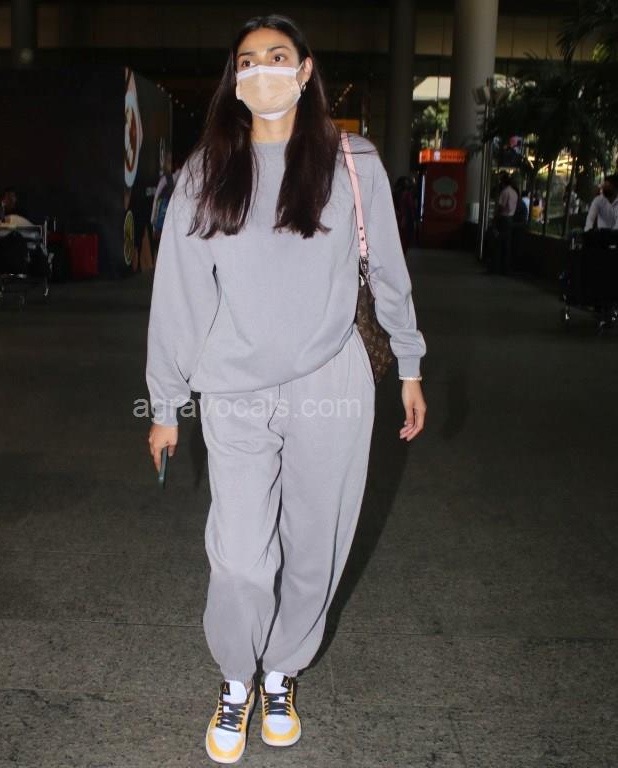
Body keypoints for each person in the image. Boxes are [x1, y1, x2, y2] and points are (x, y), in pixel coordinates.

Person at [146, 14, 426, 764]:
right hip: (233, 390)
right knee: (240, 556)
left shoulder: (353, 162)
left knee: (315, 545)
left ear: (305, 71)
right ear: (233, 79)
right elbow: (178, 297)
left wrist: (409, 364)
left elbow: (388, 270)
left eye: (277, 56)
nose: (261, 70)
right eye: (247, 60)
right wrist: (165, 402)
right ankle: (236, 679)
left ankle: (280, 673)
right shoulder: (206, 172)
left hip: (331, 380)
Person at [494, 172, 519, 274]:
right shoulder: (514, 192)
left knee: (498, 243)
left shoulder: (505, 192)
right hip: (510, 219)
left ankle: (496, 267)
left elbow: (501, 206)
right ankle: (505, 268)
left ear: (502, 182)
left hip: (503, 219)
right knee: (507, 244)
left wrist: (496, 218)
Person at [393, 175, 417, 252]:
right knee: (405, 238)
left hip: (400, 218)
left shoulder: (395, 194)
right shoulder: (407, 195)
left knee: (401, 238)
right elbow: (411, 207)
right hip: (405, 218)